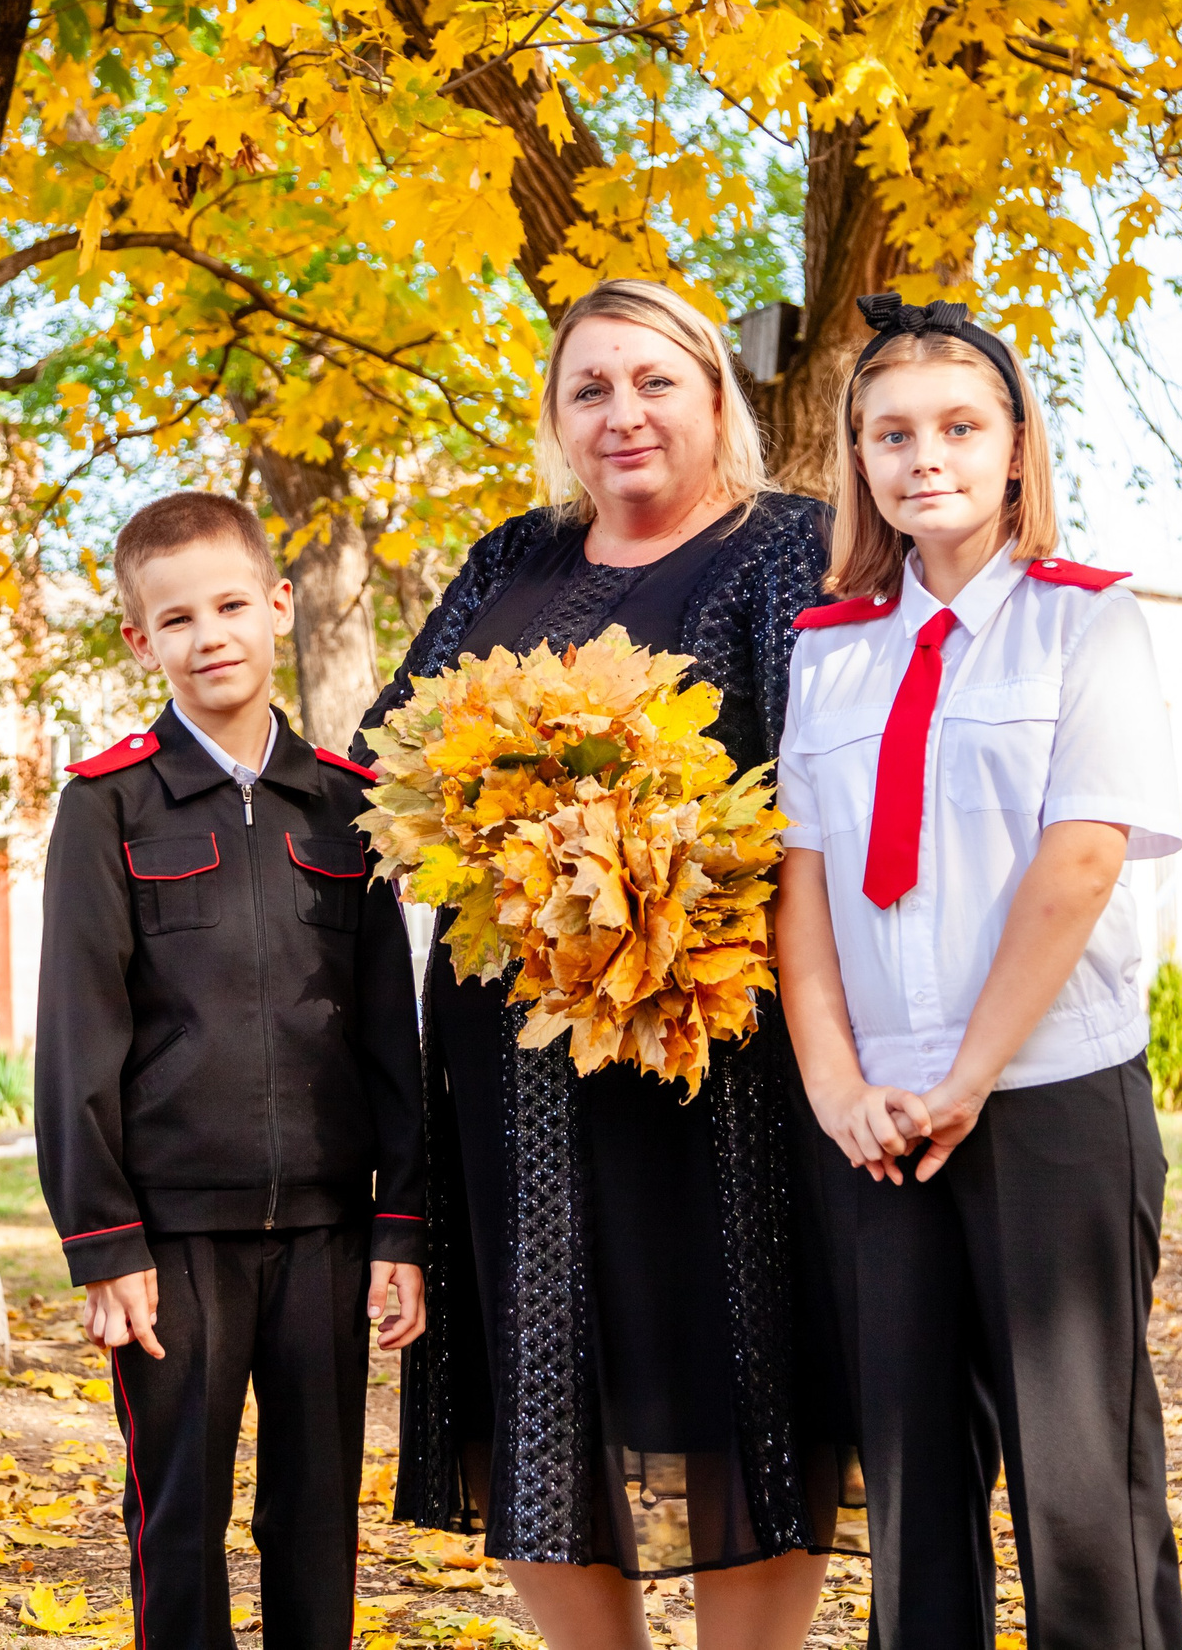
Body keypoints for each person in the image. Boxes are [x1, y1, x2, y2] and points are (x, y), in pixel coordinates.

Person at [363, 280, 849, 1648]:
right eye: (591, 388)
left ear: (715, 396)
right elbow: (392, 752)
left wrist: (649, 840)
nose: (623, 412)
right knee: (537, 1379)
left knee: (736, 1365)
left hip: (709, 1049)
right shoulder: (510, 557)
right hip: (509, 1066)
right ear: (557, 417)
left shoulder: (784, 548)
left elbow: (827, 780)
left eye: (655, 381)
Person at [774, 295, 1182, 1650]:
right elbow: (806, 879)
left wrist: (969, 1074)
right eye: (889, 433)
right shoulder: (828, 648)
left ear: (1018, 447)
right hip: (877, 1122)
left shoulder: (1090, 622)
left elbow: (1078, 861)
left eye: (959, 425)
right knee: (910, 1489)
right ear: (859, 459)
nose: (924, 456)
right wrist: (838, 1083)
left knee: (1081, 1492)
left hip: (1047, 1098)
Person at [35, 491, 428, 1650]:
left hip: (325, 1230)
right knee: (181, 1515)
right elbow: (77, 1035)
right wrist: (103, 1243)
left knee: (317, 1518)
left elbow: (384, 1032)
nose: (208, 636)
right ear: (138, 639)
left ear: (278, 606)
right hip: (171, 1245)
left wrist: (397, 1224)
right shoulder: (107, 803)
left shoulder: (348, 806)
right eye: (175, 618)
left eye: (227, 606)